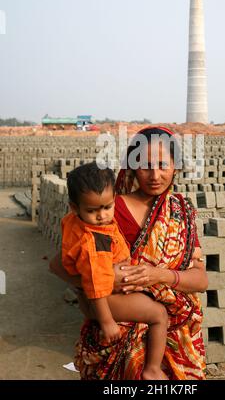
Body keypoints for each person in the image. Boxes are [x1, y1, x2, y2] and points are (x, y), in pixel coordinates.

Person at [50, 126, 208, 380]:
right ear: (132, 167)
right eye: (145, 166)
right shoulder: (109, 210)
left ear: (176, 166)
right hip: (117, 336)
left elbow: (200, 280)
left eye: (162, 165)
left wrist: (157, 275)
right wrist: (103, 285)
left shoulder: (180, 212)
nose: (155, 175)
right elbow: (59, 265)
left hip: (176, 336)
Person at [62, 162, 169, 380]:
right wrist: (107, 322)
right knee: (159, 314)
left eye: (107, 207)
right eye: (92, 210)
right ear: (75, 208)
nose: (102, 216)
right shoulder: (96, 240)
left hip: (101, 294)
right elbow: (96, 283)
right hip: (105, 298)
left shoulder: (75, 222)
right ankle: (153, 369)